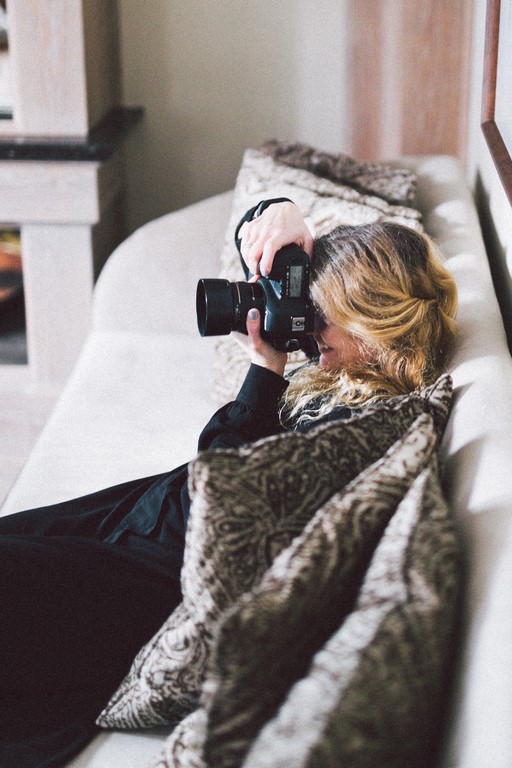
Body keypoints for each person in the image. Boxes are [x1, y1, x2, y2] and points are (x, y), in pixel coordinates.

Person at [0, 200, 458, 768]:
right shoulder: (341, 379)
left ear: (375, 314)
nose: (310, 327)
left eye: (323, 313)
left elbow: (225, 496)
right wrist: (284, 216)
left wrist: (265, 373)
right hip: (133, 523)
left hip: (150, 574)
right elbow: (257, 245)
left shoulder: (362, 425)